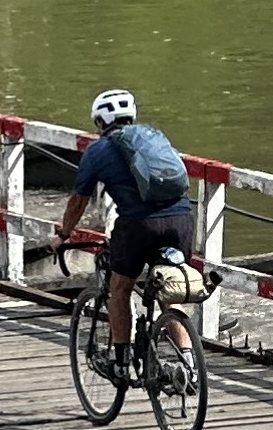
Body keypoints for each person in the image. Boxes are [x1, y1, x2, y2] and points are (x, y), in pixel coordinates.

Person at [59, 87, 197, 371]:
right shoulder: (155, 138)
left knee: (119, 289)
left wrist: (63, 235)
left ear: (99, 122)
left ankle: (121, 363)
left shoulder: (97, 150)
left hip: (138, 226)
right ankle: (189, 363)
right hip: (181, 219)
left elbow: (78, 201)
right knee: (169, 289)